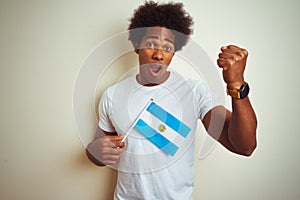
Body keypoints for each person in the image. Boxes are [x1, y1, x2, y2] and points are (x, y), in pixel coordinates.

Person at [86, 1, 257, 199]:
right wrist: (93, 152)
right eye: (150, 44)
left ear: (174, 51)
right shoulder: (112, 95)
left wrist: (237, 86)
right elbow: (98, 150)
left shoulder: (194, 92)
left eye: (167, 47)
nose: (159, 54)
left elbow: (244, 147)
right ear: (137, 46)